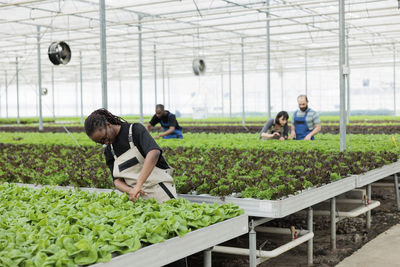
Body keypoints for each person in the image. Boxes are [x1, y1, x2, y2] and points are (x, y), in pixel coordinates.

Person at [84, 108, 178, 203]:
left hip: (160, 190)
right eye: (101, 142)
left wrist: (139, 184)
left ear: (108, 125)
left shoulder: (134, 130)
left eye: (104, 138)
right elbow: (117, 181)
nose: (106, 142)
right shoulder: (109, 151)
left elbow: (153, 153)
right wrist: (131, 190)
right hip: (138, 197)